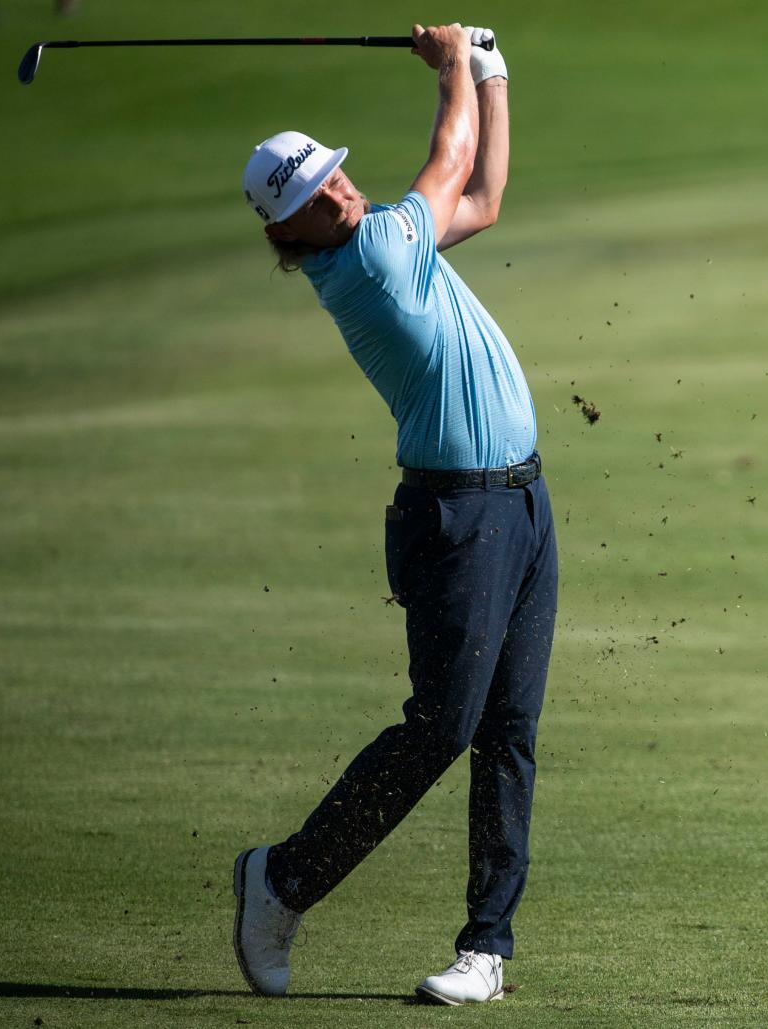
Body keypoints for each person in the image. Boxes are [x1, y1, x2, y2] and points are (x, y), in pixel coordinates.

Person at [233, 23, 558, 1006]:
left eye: (331, 175)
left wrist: (492, 69)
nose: (337, 189)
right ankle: (282, 880)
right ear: (288, 235)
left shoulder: (383, 240)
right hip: (458, 519)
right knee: (440, 730)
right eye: (311, 197)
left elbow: (487, 197)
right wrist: (452, 60)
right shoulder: (373, 259)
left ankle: (485, 949)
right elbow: (449, 155)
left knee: (507, 731)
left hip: (524, 503)